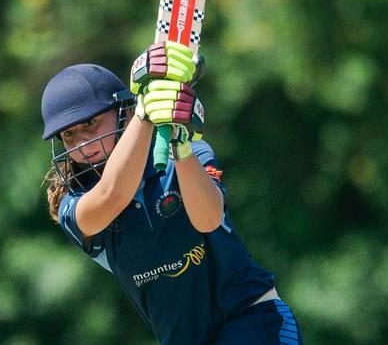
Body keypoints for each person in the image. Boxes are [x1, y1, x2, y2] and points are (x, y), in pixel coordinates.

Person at [41, 41, 303, 345]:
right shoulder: (72, 204)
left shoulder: (192, 152)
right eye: (69, 134)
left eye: (91, 123)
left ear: (122, 113)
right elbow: (113, 195)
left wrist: (181, 148)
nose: (83, 142)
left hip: (252, 323)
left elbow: (208, 219)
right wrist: (146, 110)